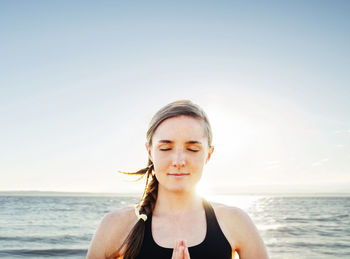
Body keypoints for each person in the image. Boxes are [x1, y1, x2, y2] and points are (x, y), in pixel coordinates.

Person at [86, 99, 269, 259]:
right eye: (166, 148)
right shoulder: (117, 225)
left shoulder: (235, 221)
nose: (179, 161)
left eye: (193, 149)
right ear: (150, 152)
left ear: (208, 154)